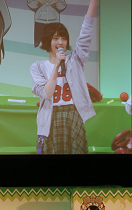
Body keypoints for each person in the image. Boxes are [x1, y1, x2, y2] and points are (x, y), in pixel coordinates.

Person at [30, 0, 97, 154]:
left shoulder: (75, 60)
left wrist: (93, 3)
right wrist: (57, 65)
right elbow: (47, 93)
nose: (60, 42)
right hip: (50, 116)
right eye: (56, 38)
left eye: (64, 38)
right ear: (48, 41)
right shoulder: (38, 67)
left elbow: (85, 35)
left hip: (72, 114)